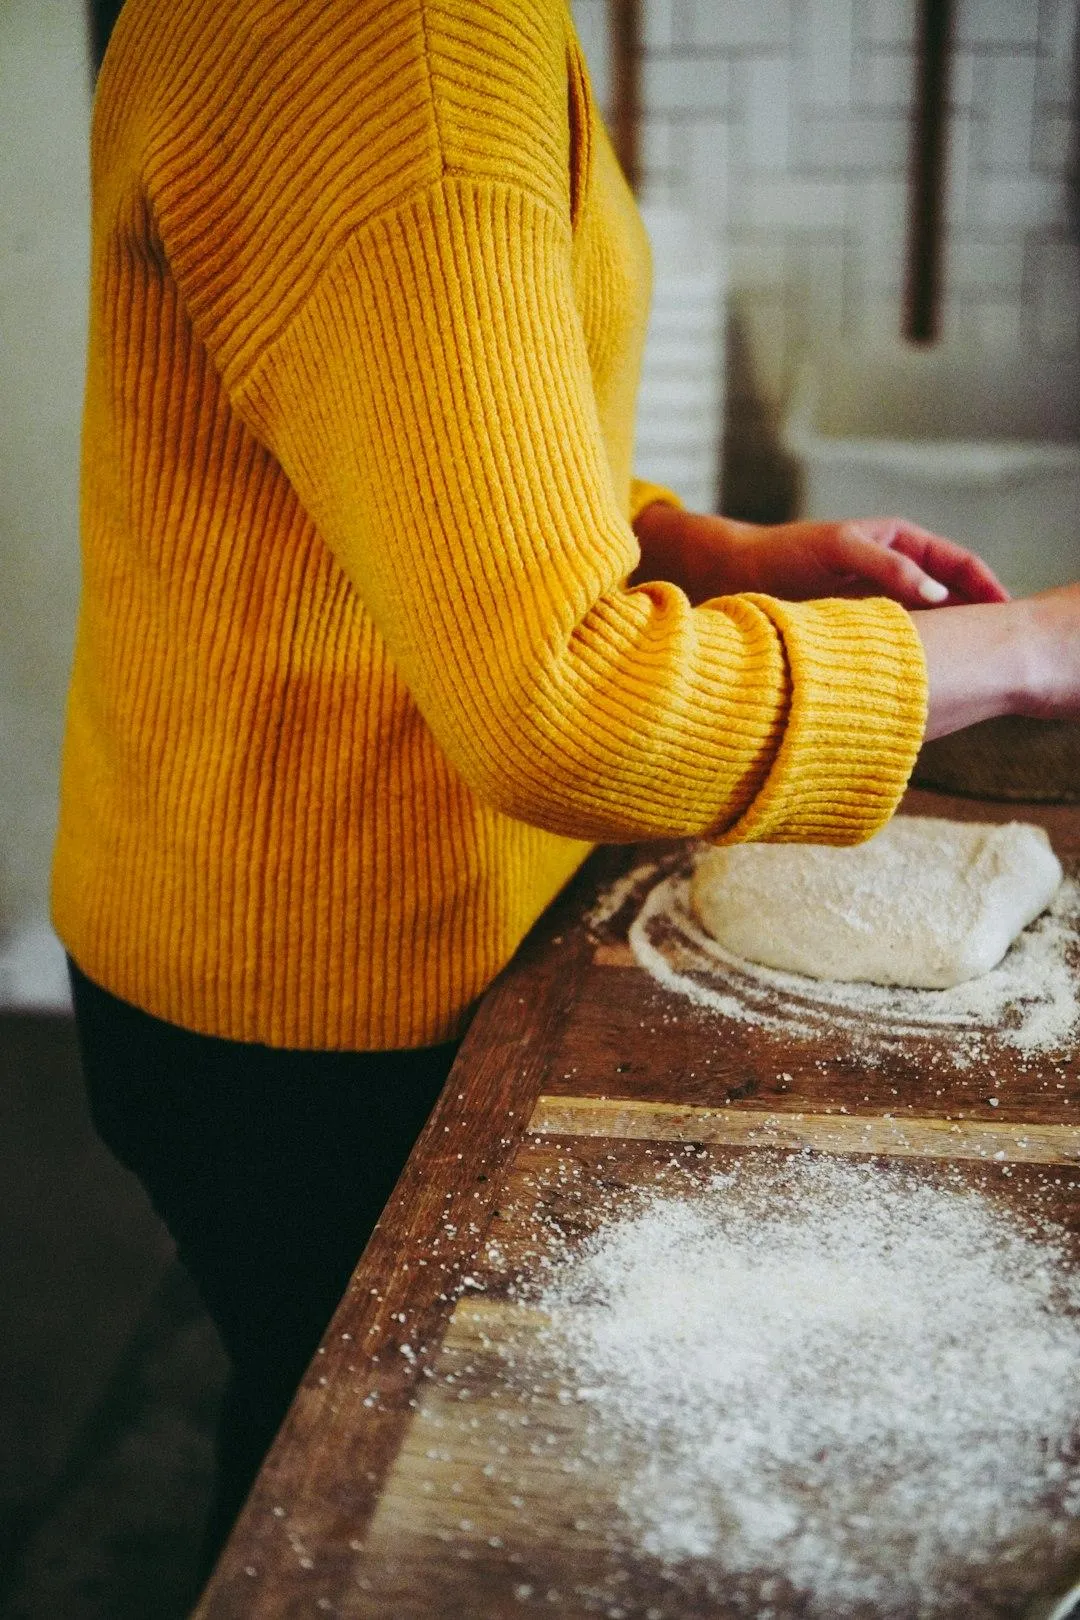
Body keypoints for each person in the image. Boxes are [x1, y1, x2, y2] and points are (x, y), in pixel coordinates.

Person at [52, 0, 1080, 1574]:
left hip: (320, 919)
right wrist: (1035, 651)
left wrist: (696, 549)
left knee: (313, 1431)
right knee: (352, 1513)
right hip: (320, 985)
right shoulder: (382, 37)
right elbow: (565, 708)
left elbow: (427, 441)